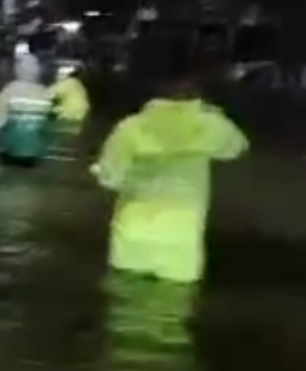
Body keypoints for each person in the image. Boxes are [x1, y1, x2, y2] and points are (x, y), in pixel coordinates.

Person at [93, 67, 248, 284]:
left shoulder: (130, 127)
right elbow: (236, 148)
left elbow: (110, 178)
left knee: (124, 306)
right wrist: (215, 116)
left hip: (132, 235)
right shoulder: (210, 125)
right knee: (171, 310)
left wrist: (101, 171)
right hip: (182, 240)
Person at [0, 48, 53, 165]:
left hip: (10, 150)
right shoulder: (46, 93)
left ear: (17, 70)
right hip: (34, 152)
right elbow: (48, 126)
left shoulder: (9, 90)